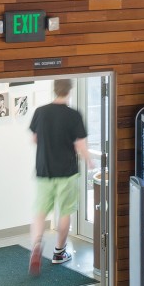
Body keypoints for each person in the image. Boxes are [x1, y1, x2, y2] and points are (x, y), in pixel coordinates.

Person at [27, 80, 89, 275]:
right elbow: (80, 145)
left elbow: (34, 139)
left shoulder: (41, 112)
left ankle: (37, 244)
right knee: (64, 212)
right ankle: (59, 252)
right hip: (67, 171)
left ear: (54, 90)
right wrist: (90, 161)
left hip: (44, 169)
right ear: (69, 91)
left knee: (40, 212)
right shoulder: (74, 115)